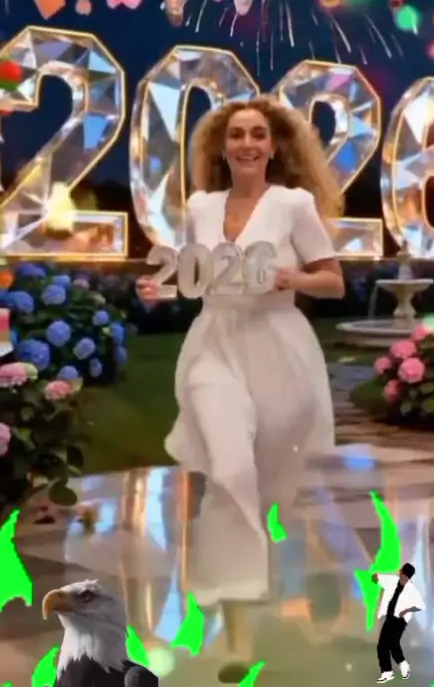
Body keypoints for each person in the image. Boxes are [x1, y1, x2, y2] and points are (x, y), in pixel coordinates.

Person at [137, 96, 344, 682]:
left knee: (267, 487)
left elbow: (333, 282)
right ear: (221, 146)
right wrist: (161, 290)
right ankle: (238, 632)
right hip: (214, 351)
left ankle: (269, 577)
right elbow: (193, 276)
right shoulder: (200, 207)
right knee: (229, 475)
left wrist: (294, 276)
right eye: (236, 135)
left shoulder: (293, 205)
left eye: (257, 134)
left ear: (273, 146)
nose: (247, 143)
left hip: (278, 351)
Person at [373, 563, 426, 682]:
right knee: (382, 645)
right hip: (389, 617)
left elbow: (420, 606)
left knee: (393, 643)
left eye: (405, 576)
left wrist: (407, 610)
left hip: (400, 620)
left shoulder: (411, 589)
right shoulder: (391, 581)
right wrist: (378, 577)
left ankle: (402, 664)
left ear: (407, 576)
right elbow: (375, 577)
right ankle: (387, 671)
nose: (403, 578)